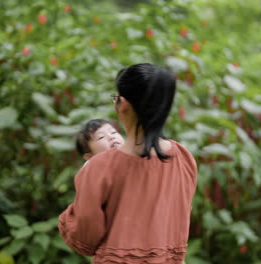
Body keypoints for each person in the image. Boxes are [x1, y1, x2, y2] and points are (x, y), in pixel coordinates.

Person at [59, 63, 198, 263]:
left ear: (122, 104)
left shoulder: (99, 167)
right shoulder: (184, 158)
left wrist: (69, 217)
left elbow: (85, 239)